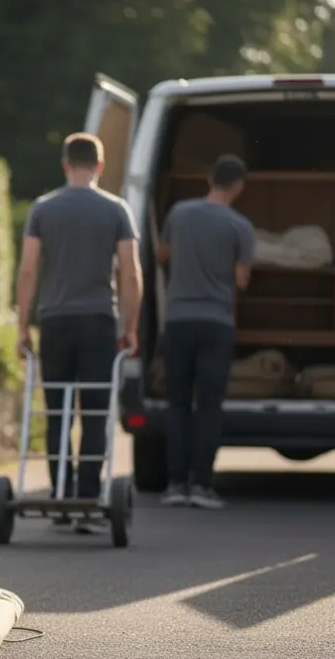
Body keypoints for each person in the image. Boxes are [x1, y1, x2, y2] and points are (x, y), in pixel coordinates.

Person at [16, 132, 142, 526]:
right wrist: (130, 326)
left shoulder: (43, 209)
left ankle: (59, 496)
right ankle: (89, 498)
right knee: (95, 412)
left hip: (55, 321)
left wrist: (22, 326)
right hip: (98, 322)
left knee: (58, 413)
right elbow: (131, 272)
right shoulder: (116, 209)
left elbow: (28, 269)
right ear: (100, 166)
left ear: (65, 164)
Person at [155, 154, 256, 509]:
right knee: (208, 406)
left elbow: (161, 255)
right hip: (216, 324)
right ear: (239, 186)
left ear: (209, 178)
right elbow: (242, 280)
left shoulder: (179, 214)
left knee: (178, 403)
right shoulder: (240, 227)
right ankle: (202, 485)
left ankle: (175, 484)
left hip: (179, 321)